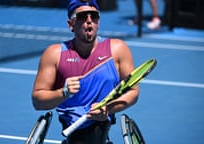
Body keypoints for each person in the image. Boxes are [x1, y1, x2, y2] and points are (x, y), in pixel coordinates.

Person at [31, 0, 139, 143]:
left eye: (94, 16)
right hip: (73, 131)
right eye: (82, 16)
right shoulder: (54, 54)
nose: (89, 21)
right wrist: (63, 93)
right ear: (71, 24)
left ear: (98, 22)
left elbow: (133, 91)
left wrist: (108, 108)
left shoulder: (118, 49)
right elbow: (38, 101)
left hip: (101, 129)